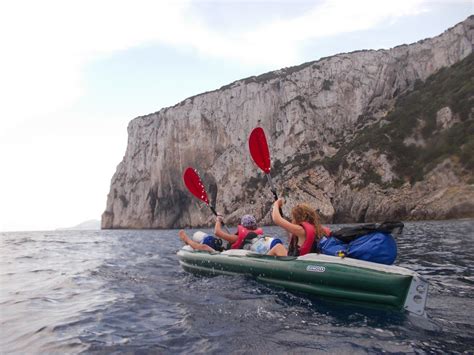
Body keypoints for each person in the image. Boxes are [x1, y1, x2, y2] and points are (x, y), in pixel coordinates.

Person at [179, 214, 281, 252]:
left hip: (225, 253)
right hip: (230, 251)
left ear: (243, 225)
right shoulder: (257, 236)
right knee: (210, 242)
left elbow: (217, 232)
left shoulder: (237, 238)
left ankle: (188, 240)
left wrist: (218, 220)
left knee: (207, 242)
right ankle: (190, 242)